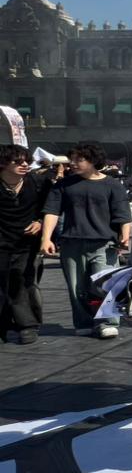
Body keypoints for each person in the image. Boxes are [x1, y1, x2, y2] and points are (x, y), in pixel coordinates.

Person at [40, 142, 132, 340]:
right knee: (76, 288)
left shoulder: (112, 185)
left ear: (93, 161)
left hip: (104, 244)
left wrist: (125, 235)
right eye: (71, 159)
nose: (72, 163)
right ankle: (83, 322)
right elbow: (52, 212)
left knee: (106, 285)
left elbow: (123, 215)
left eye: (78, 160)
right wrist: (46, 238)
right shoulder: (63, 185)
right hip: (72, 244)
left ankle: (107, 323)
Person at [0, 145, 47, 344]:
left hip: (27, 243)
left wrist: (40, 222)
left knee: (21, 281)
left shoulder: (36, 183)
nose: (25, 165)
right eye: (18, 162)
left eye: (27, 161)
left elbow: (49, 208)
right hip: (2, 241)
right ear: (2, 164)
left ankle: (27, 325)